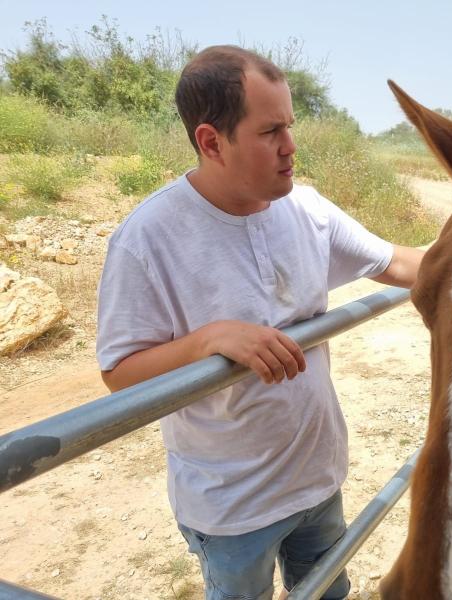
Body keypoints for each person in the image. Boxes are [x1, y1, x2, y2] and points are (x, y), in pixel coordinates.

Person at [96, 45, 424, 600]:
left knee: (325, 591)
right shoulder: (148, 239)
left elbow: (399, 263)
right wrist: (207, 341)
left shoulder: (308, 210)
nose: (291, 148)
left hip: (318, 480)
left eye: (290, 126)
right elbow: (119, 374)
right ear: (210, 141)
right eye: (271, 131)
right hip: (233, 508)